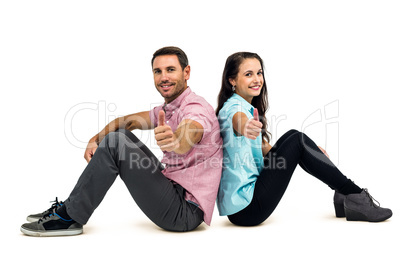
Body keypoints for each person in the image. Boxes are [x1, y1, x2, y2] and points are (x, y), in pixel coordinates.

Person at [20, 46, 223, 236]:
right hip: (173, 190)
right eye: (157, 71)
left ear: (186, 73)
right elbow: (129, 121)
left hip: (184, 212)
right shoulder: (170, 107)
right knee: (121, 135)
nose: (164, 77)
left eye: (171, 69)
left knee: (116, 142)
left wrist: (177, 142)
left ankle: (69, 216)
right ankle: (69, 207)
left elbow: (192, 131)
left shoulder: (195, 108)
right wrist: (95, 138)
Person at [215, 51, 392, 226]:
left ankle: (343, 194)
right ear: (232, 80)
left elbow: (264, 148)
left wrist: (311, 152)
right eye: (248, 74)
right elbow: (238, 120)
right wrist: (245, 125)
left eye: (259, 73)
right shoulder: (233, 108)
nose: (257, 79)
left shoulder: (243, 105)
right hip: (248, 209)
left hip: (242, 206)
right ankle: (353, 194)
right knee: (297, 140)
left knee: (294, 137)